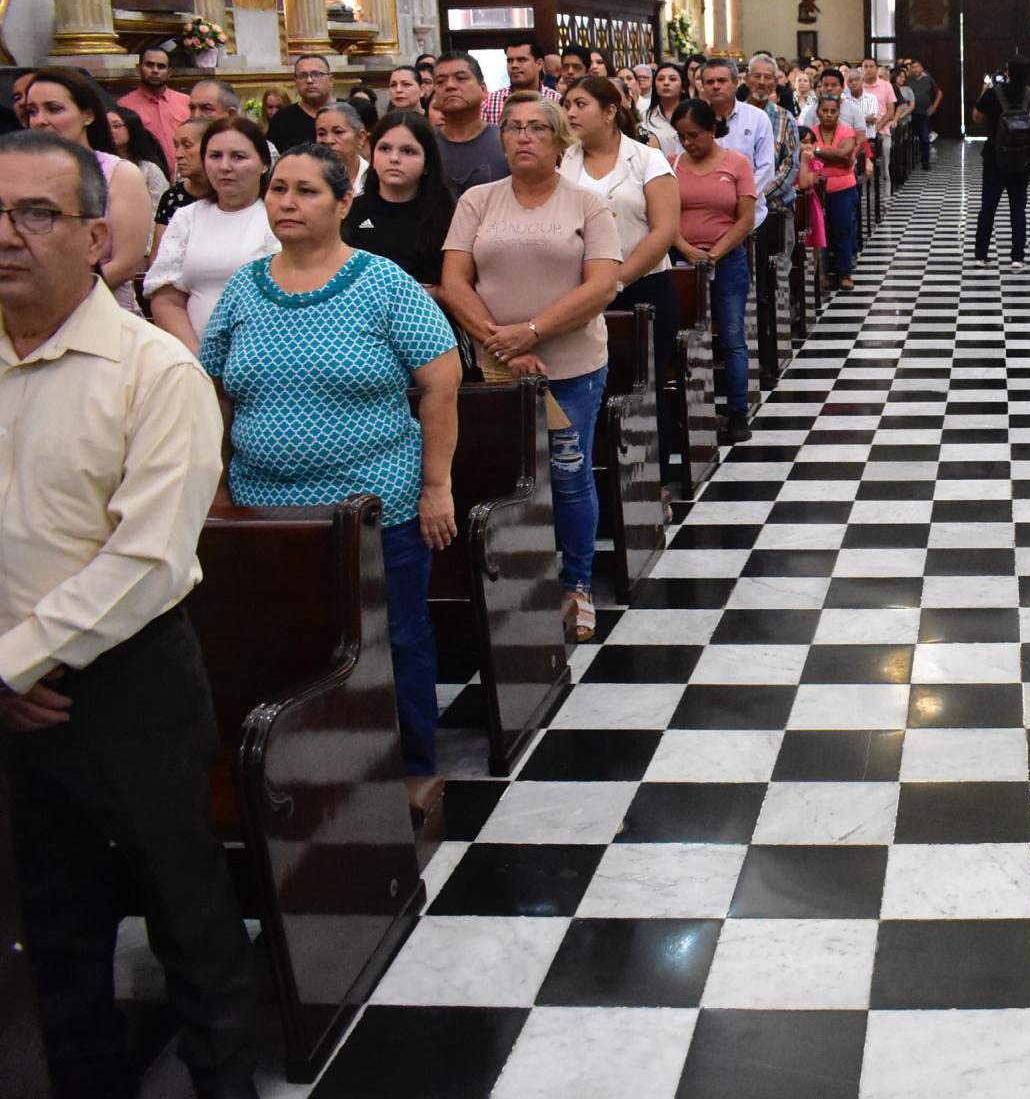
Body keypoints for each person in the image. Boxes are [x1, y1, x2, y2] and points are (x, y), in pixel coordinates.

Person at [0, 130, 261, 1099]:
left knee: (183, 908)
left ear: (97, 237)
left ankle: (221, 1080)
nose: (8, 236)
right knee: (53, 920)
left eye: (36, 214)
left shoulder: (154, 372)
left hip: (124, 686)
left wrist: (16, 661)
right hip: (14, 691)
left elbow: (148, 556)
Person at [199, 142, 460, 804]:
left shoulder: (381, 281)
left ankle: (407, 770)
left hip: (377, 507)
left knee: (394, 638)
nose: (287, 201)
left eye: (306, 190)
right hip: (268, 512)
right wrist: (220, 483)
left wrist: (437, 486)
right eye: (278, 189)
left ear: (345, 202)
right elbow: (213, 387)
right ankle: (306, 776)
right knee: (285, 644)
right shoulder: (244, 286)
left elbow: (440, 381)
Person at [439, 92, 621, 638]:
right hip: (496, 365)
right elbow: (454, 281)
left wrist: (534, 331)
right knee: (501, 475)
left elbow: (601, 285)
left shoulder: (585, 204)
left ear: (559, 139)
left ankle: (578, 585)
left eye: (537, 128)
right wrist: (503, 343)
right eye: (513, 127)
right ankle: (514, 583)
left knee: (568, 475)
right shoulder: (478, 201)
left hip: (571, 366)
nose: (523, 136)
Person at [559, 75, 680, 383]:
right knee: (593, 383)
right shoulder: (563, 162)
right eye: (567, 105)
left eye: (580, 104)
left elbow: (663, 231)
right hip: (579, 289)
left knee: (642, 386)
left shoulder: (647, 159)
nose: (570, 113)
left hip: (643, 288)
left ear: (609, 111)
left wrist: (615, 280)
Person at [19, 70, 154, 314]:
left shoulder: (120, 174)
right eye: (32, 111)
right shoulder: (19, 176)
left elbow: (126, 264)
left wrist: (57, 299)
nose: (40, 120)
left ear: (88, 115)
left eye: (54, 108)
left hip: (103, 311)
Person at [668, 98, 758, 445]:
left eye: (693, 135)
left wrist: (714, 254)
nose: (688, 143)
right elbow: (663, 218)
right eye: (681, 137)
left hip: (728, 259)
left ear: (711, 131)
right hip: (683, 259)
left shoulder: (737, 163)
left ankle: (737, 412)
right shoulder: (673, 166)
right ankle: (691, 411)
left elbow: (745, 219)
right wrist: (688, 250)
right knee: (685, 337)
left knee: (732, 336)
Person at [147, 116, 280, 350]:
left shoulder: (278, 218)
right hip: (194, 357)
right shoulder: (187, 217)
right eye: (215, 156)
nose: (224, 166)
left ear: (264, 164)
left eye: (238, 157)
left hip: (263, 355)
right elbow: (166, 298)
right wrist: (198, 360)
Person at [342, 109, 457, 289]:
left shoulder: (449, 215)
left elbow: (456, 287)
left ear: (427, 161)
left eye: (408, 151)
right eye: (384, 149)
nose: (394, 159)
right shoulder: (350, 212)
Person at [969, 56, 1030, 270]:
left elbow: (976, 117)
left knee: (988, 207)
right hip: (1022, 159)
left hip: (995, 157)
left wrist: (985, 88)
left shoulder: (994, 93)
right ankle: (1017, 256)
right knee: (1018, 207)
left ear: (1008, 72)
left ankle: (981, 254)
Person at [744, 55, 799, 301]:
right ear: (746, 79)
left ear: (776, 82)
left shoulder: (784, 118)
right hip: (738, 210)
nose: (763, 82)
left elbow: (789, 165)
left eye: (769, 77)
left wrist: (757, 194)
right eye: (757, 76)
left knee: (778, 270)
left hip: (776, 206)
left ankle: (779, 323)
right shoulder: (735, 116)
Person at [698, 59, 774, 234]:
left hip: (750, 216)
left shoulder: (757, 118)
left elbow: (766, 168)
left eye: (722, 81)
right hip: (706, 216)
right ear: (702, 86)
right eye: (710, 82)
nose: (716, 86)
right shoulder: (694, 120)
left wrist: (738, 198)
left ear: (735, 83)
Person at [801, 91, 862, 286]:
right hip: (815, 189)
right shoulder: (810, 132)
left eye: (833, 111)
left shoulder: (846, 132)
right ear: (817, 113)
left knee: (842, 228)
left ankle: (844, 272)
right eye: (824, 111)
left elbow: (845, 157)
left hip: (842, 188)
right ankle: (822, 273)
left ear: (838, 113)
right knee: (820, 231)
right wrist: (831, 155)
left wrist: (817, 151)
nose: (829, 114)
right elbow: (804, 155)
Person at [431, 52, 509, 197]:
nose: (450, 86)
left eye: (460, 78)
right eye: (441, 81)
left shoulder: (507, 140)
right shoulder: (424, 143)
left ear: (483, 89)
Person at [116, 44, 190, 152]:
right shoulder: (124, 105)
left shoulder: (186, 101)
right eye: (149, 65)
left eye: (161, 66)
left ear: (169, 72)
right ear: (138, 68)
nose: (155, 71)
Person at [104, 104, 173, 206]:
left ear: (132, 128)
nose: (110, 131)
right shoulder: (98, 165)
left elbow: (159, 208)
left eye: (116, 126)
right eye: (105, 126)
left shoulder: (149, 169)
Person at [156, 116, 211, 240]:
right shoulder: (172, 198)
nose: (178, 155)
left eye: (187, 145)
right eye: (176, 146)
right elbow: (158, 255)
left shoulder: (227, 196)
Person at [266, 53, 332, 150]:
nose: (309, 80)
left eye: (316, 74)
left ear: (330, 80)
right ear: (295, 81)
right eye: (303, 75)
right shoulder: (283, 119)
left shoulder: (349, 111)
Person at [313, 100, 369, 190]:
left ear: (360, 137)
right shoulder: (308, 178)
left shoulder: (376, 178)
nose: (328, 141)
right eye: (322, 133)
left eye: (338, 132)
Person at [493, 37, 542, 126]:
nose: (514, 65)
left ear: (539, 64)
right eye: (510, 61)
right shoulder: (491, 103)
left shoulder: (556, 101)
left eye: (521, 60)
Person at [906, 58, 940, 170]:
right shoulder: (907, 80)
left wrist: (933, 107)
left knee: (925, 138)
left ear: (922, 68)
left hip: (923, 113)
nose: (915, 69)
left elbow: (939, 93)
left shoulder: (928, 80)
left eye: (917, 66)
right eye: (913, 67)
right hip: (909, 114)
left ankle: (925, 162)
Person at [644, 63, 684, 153]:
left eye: (672, 79)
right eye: (660, 79)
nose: (666, 83)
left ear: (683, 86)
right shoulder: (644, 118)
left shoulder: (693, 115)